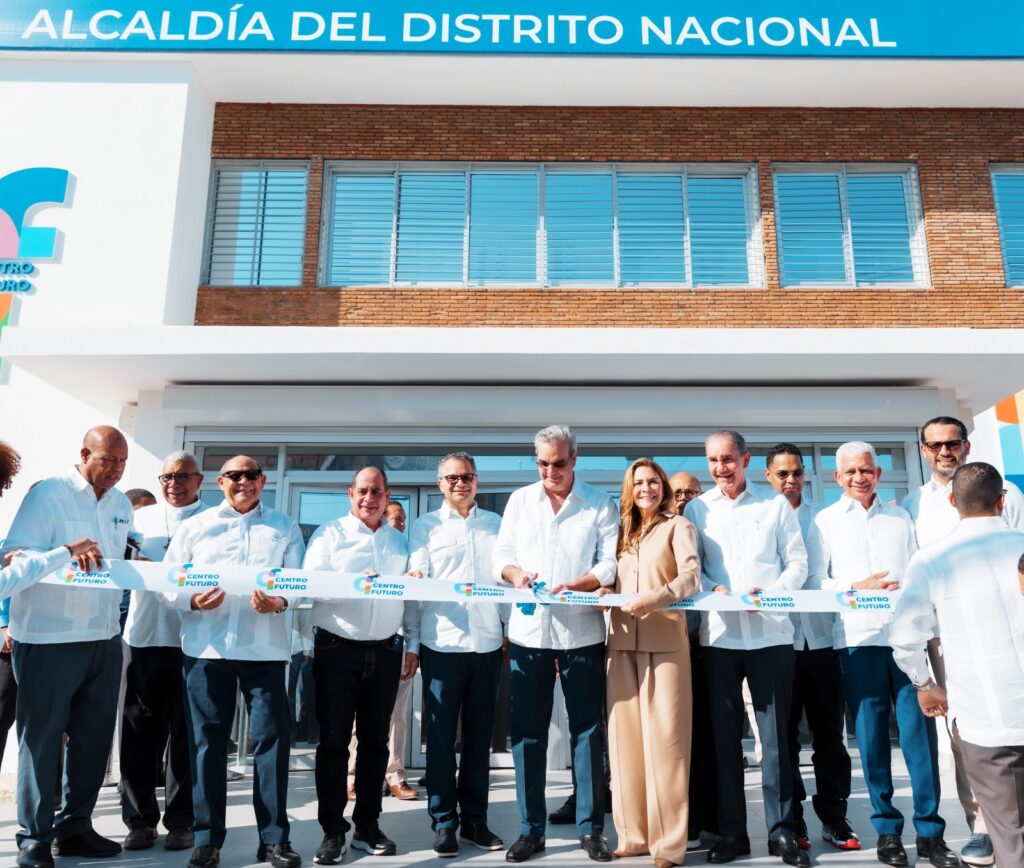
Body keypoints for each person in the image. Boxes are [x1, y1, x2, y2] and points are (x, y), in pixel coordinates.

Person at [806, 441, 957, 868]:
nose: (860, 476)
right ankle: (888, 830)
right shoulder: (825, 522)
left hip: (906, 641)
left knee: (918, 740)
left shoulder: (900, 517)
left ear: (878, 472)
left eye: (867, 469)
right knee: (871, 742)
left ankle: (930, 833)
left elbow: (919, 574)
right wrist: (857, 589)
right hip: (857, 642)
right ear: (837, 477)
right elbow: (816, 582)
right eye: (851, 471)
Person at [164, 455, 304, 868]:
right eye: (235, 476)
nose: (245, 482)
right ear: (220, 482)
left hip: (265, 652)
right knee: (207, 745)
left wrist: (281, 602)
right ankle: (207, 839)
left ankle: (275, 839)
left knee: (272, 743)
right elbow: (167, 584)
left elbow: (299, 582)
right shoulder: (195, 527)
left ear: (263, 482)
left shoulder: (284, 526)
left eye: (252, 476)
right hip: (207, 650)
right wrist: (190, 600)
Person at [1, 427, 130, 868]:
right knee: (40, 741)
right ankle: (33, 838)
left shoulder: (121, 504)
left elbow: (114, 564)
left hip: (103, 637)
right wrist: (64, 552)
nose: (115, 471)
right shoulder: (48, 494)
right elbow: (14, 555)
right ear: (83, 453)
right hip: (49, 637)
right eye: (108, 460)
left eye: (122, 463)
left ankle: (75, 827)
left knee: (93, 740)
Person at [901, 415, 1024, 866]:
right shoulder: (911, 506)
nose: (944, 451)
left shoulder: (1010, 498)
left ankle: (1003, 831)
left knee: (987, 736)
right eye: (935, 445)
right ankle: (981, 827)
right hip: (947, 637)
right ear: (923, 450)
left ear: (966, 446)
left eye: (952, 443)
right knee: (962, 736)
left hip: (1004, 628)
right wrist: (925, 676)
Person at [493, 425, 618, 863]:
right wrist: (517, 576)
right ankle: (531, 830)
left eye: (559, 463)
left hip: (582, 630)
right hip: (530, 634)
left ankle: (591, 829)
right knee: (528, 734)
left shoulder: (600, 503)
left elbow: (609, 562)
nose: (551, 471)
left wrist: (580, 584)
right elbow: (501, 556)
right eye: (543, 463)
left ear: (575, 459)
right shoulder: (519, 501)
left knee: (587, 731)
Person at [685, 430, 808, 867]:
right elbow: (692, 570)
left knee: (775, 742)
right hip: (720, 637)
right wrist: (712, 589)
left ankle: (782, 833)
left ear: (746, 460)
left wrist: (770, 595)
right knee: (724, 741)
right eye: (714, 460)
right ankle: (733, 833)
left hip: (772, 635)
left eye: (728, 459)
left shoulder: (774, 505)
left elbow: (797, 563)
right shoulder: (696, 509)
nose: (721, 468)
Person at [304, 466, 419, 862]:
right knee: (334, 743)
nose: (370, 498)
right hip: (338, 650)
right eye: (363, 491)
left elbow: (411, 599)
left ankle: (367, 826)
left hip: (386, 652)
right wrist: (355, 582)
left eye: (377, 492)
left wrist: (412, 645)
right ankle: (333, 831)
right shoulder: (328, 535)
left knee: (376, 744)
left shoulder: (400, 543)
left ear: (388, 497)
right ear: (350, 494)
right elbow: (310, 584)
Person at [602, 458, 700, 868]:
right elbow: (609, 576)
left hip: (666, 643)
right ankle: (633, 835)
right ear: (630, 488)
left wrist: (654, 598)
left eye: (653, 481)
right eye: (638, 482)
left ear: (662, 486)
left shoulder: (679, 526)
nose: (646, 488)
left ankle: (669, 845)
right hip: (621, 643)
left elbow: (691, 576)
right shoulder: (620, 532)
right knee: (625, 746)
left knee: (668, 746)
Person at [409, 452, 505, 858]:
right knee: (443, 740)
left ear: (477, 480)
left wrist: (509, 631)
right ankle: (444, 821)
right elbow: (415, 589)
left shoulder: (496, 526)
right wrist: (412, 645)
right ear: (439, 484)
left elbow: (506, 581)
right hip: (441, 645)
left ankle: (475, 822)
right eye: (451, 478)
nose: (459, 483)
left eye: (466, 476)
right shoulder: (424, 527)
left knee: (480, 740)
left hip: (486, 645)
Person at [764, 443, 858, 852]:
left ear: (806, 475)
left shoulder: (822, 519)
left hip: (821, 641)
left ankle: (835, 817)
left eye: (797, 473)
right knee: (784, 738)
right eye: (782, 473)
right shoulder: (760, 517)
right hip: (779, 642)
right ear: (767, 476)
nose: (790, 480)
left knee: (829, 737)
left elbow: (831, 575)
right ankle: (795, 819)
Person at [120, 451, 208, 852]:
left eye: (183, 476)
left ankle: (181, 821)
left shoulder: (213, 522)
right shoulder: (139, 520)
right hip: (142, 637)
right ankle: (139, 821)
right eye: (168, 476)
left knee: (186, 737)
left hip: (192, 640)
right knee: (138, 733)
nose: (175, 483)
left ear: (199, 480)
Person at [347, 498, 419, 803]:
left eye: (403, 520)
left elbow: (413, 603)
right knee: (357, 717)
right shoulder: (362, 551)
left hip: (398, 644)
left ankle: (394, 775)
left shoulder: (405, 551)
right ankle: (352, 776)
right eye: (394, 518)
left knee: (397, 715)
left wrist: (413, 645)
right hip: (361, 643)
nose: (399, 524)